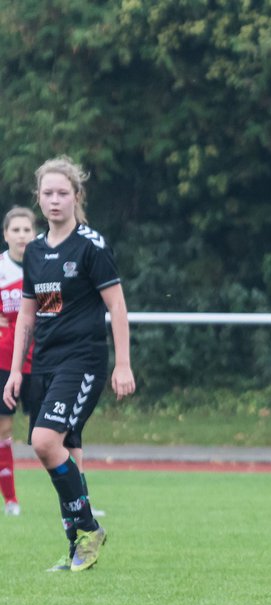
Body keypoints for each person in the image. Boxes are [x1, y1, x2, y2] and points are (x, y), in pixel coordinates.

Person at [2, 157, 135, 571]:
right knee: (64, 449)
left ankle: (90, 528)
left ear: (77, 197)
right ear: (39, 200)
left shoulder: (91, 246)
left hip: (83, 360)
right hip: (44, 362)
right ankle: (78, 543)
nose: (55, 200)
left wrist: (123, 365)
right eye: (48, 193)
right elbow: (29, 314)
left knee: (44, 442)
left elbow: (117, 306)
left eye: (63, 193)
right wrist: (17, 372)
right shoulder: (37, 251)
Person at [1, 206, 37, 516]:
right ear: (6, 234)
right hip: (3, 360)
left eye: (27, 229)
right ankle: (11, 501)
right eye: (16, 229)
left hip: (42, 359)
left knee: (53, 432)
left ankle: (77, 498)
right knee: (3, 428)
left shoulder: (44, 264)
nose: (22, 235)